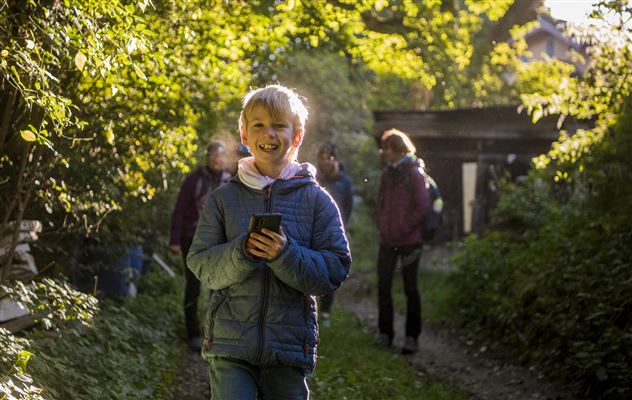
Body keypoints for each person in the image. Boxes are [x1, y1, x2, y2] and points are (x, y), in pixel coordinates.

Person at [187, 84, 351, 399]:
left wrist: (285, 254)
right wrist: (242, 252)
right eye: (259, 125)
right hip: (230, 347)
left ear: (298, 135)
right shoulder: (223, 199)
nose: (269, 134)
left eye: (279, 125)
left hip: (288, 350)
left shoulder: (317, 201)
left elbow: (335, 269)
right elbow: (201, 263)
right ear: (244, 134)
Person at [169, 142, 231, 351]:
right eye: (213, 156)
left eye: (220, 156)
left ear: (224, 159)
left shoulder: (229, 180)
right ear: (207, 157)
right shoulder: (193, 180)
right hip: (192, 239)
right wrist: (175, 240)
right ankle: (193, 333)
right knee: (193, 286)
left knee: (218, 287)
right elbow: (179, 210)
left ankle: (214, 333)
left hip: (219, 242)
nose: (216, 160)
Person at [376, 128, 430, 355]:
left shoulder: (414, 174)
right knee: (384, 286)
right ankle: (385, 334)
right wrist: (382, 224)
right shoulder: (387, 174)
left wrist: (403, 228)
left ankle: (411, 338)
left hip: (410, 241)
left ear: (396, 149)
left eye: (386, 148)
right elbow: (380, 202)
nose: (383, 153)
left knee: (410, 288)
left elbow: (423, 207)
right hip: (387, 240)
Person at [315, 141, 353, 328]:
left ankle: (326, 313)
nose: (325, 162)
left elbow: (348, 206)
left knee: (330, 273)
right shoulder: (314, 179)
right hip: (315, 232)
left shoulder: (344, 181)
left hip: (335, 234)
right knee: (313, 271)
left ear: (335, 159)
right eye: (322, 158)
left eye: (329, 158)